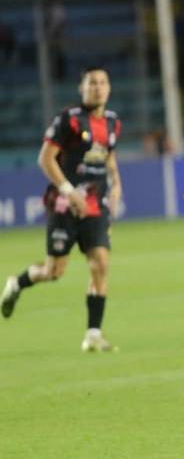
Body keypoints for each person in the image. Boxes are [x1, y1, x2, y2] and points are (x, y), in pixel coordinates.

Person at [1, 67, 123, 352]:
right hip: (64, 205)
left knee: (100, 263)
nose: (98, 87)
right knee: (53, 271)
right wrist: (69, 192)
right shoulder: (69, 119)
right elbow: (45, 159)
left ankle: (93, 334)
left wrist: (117, 186)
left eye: (102, 82)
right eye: (92, 83)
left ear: (109, 88)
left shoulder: (113, 122)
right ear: (82, 88)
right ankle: (16, 284)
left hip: (95, 205)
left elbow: (109, 158)